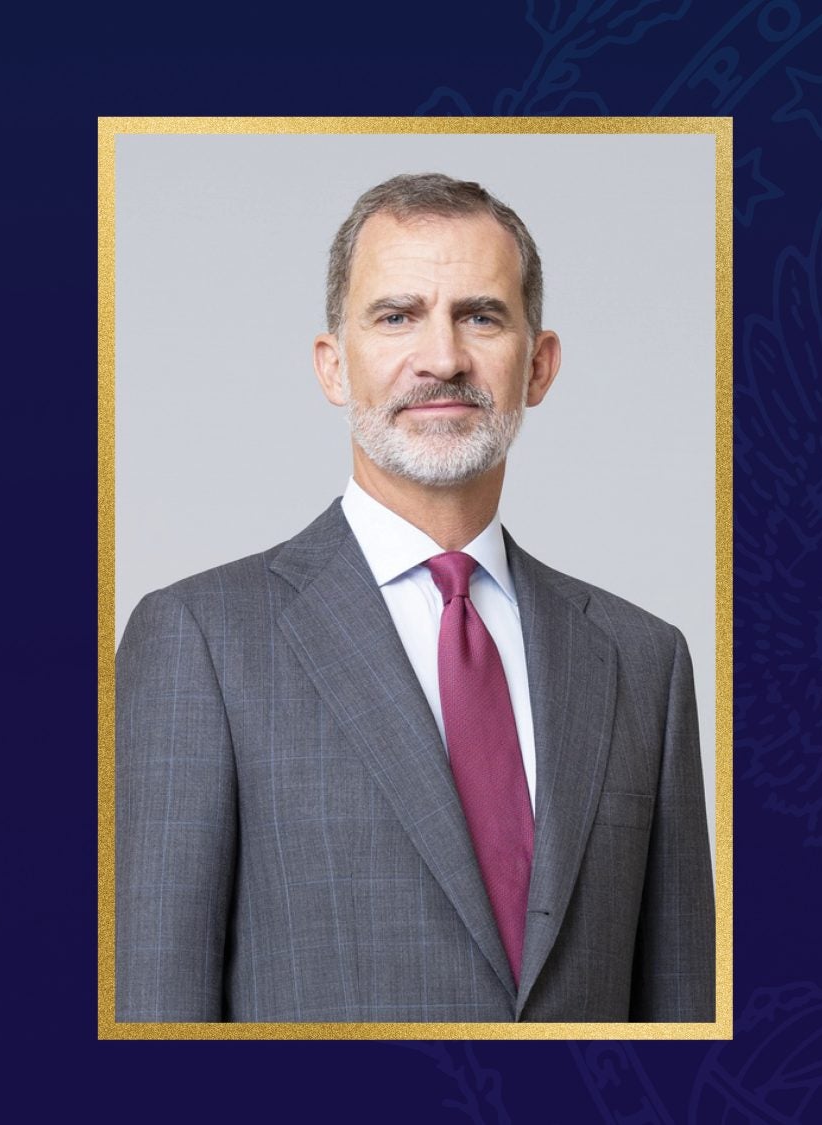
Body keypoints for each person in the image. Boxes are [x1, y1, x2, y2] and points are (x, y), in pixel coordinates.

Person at [115, 172, 714, 1022]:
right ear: (334, 365)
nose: (443, 357)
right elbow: (154, 1023)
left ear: (538, 365)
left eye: (482, 315)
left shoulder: (644, 661)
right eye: (397, 316)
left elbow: (683, 1035)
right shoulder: (201, 642)